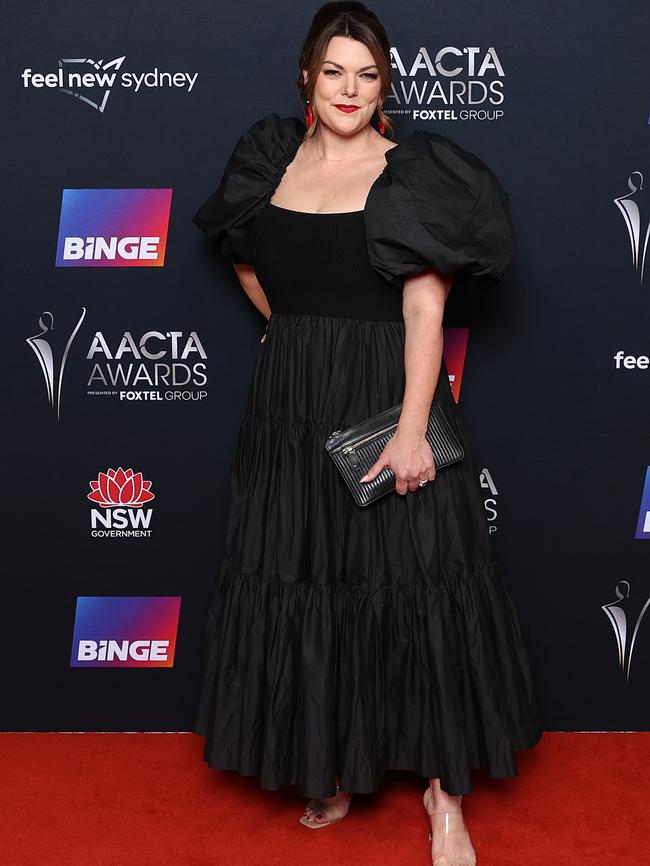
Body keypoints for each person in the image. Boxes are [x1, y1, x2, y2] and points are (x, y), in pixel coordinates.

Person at [191, 2, 543, 863]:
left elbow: (426, 309)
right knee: (314, 579)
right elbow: (240, 252)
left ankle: (445, 795)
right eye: (335, 71)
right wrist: (290, 325)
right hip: (290, 405)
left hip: (388, 398)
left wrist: (416, 431)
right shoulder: (268, 160)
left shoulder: (411, 172)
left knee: (420, 589)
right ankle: (333, 761)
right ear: (308, 78)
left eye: (369, 74)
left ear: (385, 85)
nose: (351, 89)